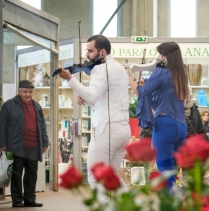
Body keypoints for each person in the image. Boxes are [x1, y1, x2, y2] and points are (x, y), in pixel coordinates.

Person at [57, 35, 130, 202]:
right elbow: (104, 98)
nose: (87, 55)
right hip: (122, 129)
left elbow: (91, 97)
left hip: (107, 130)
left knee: (95, 177)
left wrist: (70, 79)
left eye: (90, 51)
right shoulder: (118, 67)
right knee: (113, 177)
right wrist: (86, 97)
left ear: (102, 52)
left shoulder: (101, 68)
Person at [133, 42, 189, 187]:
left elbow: (143, 93)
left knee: (165, 169)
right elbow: (161, 95)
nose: (157, 57)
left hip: (165, 125)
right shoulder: (181, 74)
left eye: (159, 54)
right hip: (181, 126)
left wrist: (130, 81)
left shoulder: (161, 72)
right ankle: (178, 201)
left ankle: (171, 204)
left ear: (164, 56)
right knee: (174, 169)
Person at [0, 80, 49, 207]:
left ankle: (30, 200)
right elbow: (2, 126)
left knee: (31, 175)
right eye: (25, 91)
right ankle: (17, 200)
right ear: (19, 91)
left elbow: (42, 125)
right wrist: (2, 144)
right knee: (16, 174)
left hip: (34, 145)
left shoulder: (37, 106)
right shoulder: (9, 105)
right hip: (16, 146)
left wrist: (45, 141)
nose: (28, 94)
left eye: (30, 92)